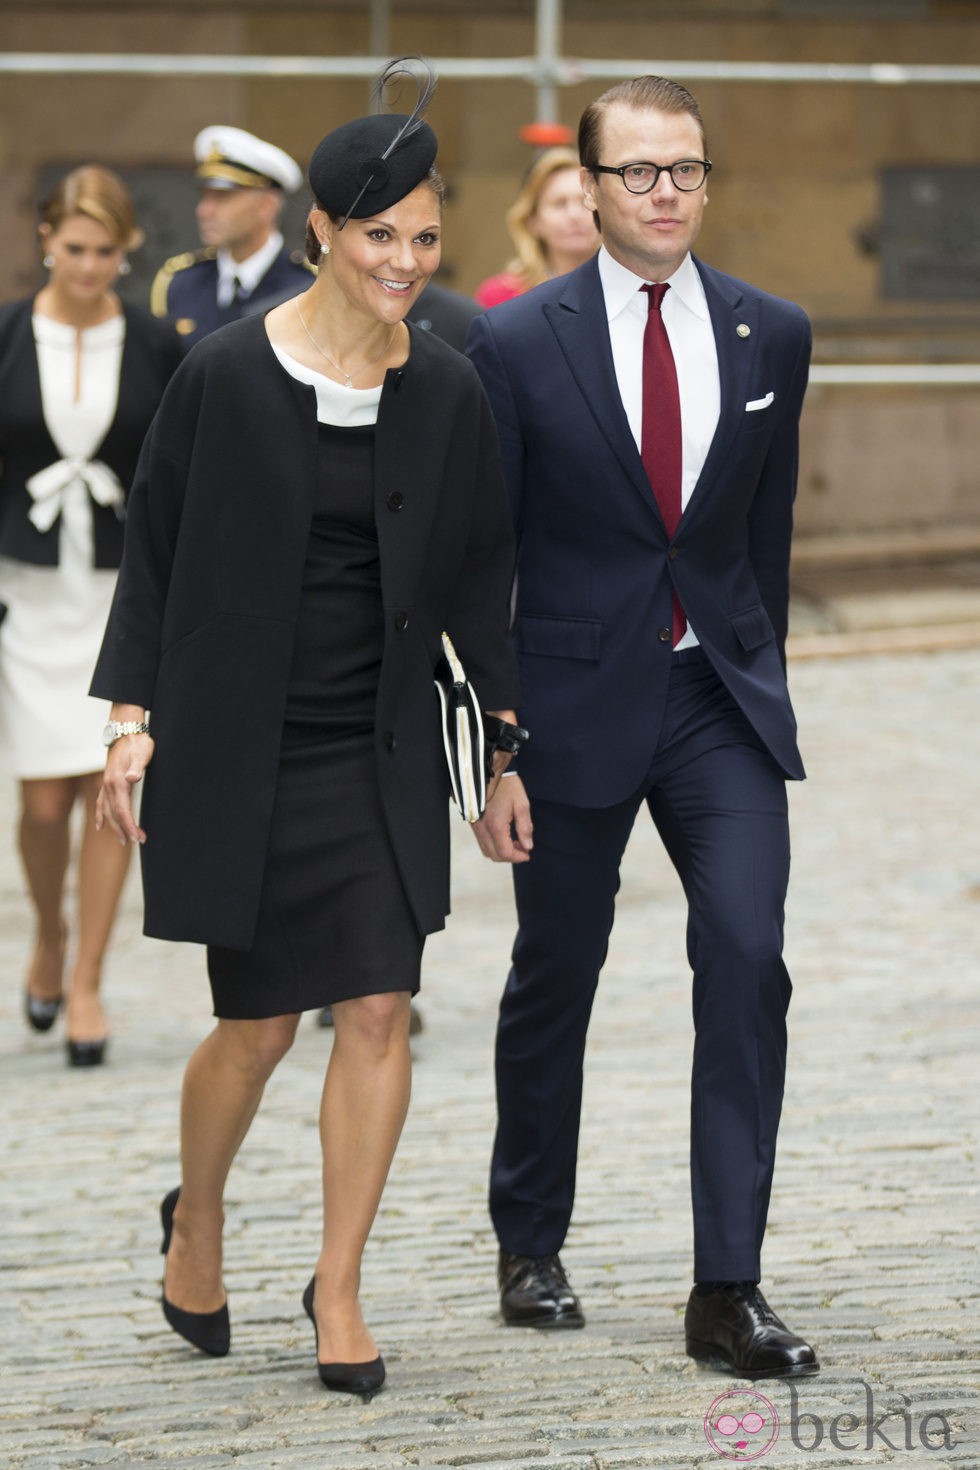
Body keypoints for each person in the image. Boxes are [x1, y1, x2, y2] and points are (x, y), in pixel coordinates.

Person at [92, 68, 520, 1394]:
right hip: (243, 745)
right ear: (324, 233)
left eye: (422, 238)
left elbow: (474, 578)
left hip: (377, 742)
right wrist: (129, 720)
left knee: (379, 1010)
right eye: (377, 234)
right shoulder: (223, 371)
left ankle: (338, 1283)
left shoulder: (447, 389)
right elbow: (153, 550)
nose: (402, 260)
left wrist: (505, 755)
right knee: (260, 1026)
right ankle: (200, 1216)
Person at [466, 75, 820, 1381]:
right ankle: (528, 1235)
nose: (665, 190)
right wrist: (498, 745)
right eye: (639, 172)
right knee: (558, 970)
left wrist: (755, 666)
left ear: (706, 182)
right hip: (563, 703)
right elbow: (483, 555)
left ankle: (727, 1283)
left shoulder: (769, 331)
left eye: (686, 169)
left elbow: (759, 539)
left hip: (713, 701)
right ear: (592, 187)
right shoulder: (514, 342)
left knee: (747, 955)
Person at [0, 165, 182, 1066]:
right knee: (40, 804)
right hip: (27, 595)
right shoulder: (4, 334)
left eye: (106, 251)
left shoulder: (157, 343)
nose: (88, 266)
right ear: (46, 242)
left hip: (120, 594)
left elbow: (181, 469)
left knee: (110, 791)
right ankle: (47, 935)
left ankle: (86, 985)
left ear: (125, 250)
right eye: (74, 248)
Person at [151, 125, 311, 346]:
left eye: (222, 197)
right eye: (204, 197)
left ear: (267, 205)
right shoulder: (181, 282)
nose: (204, 211)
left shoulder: (307, 286)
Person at [473, 146, 598, 309]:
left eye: (584, 201)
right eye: (559, 203)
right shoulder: (500, 297)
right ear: (533, 221)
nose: (574, 214)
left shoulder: (629, 289)